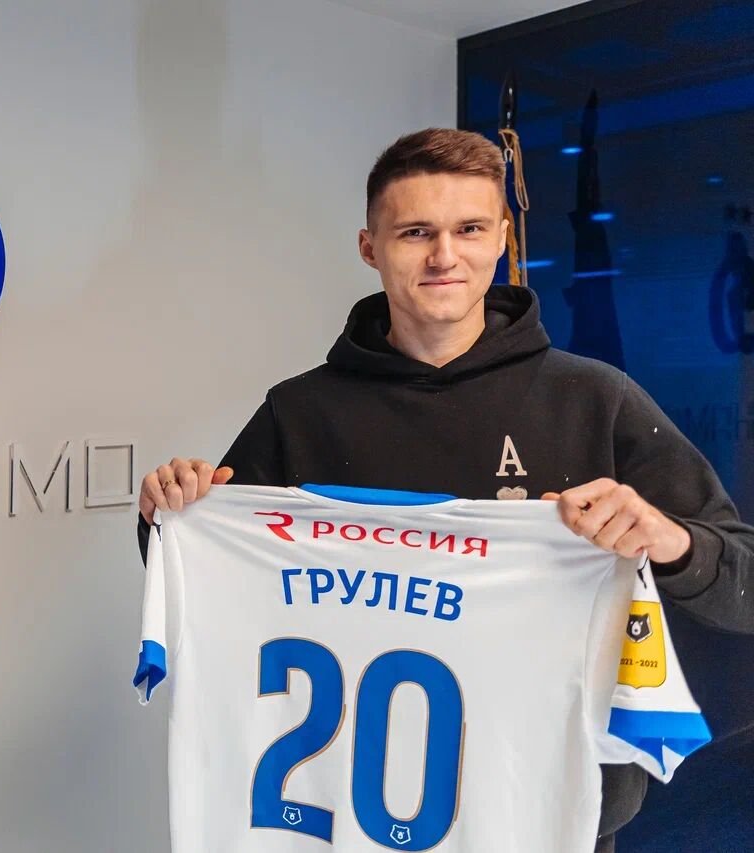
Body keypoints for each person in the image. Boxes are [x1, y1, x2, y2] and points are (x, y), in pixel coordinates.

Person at [135, 128, 754, 853]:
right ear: (369, 247)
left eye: (469, 229)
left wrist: (672, 542)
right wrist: (171, 515)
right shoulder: (298, 412)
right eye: (415, 232)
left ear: (502, 240)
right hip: (340, 819)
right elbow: (210, 582)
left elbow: (742, 584)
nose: (444, 256)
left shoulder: (595, 401)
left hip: (542, 820)